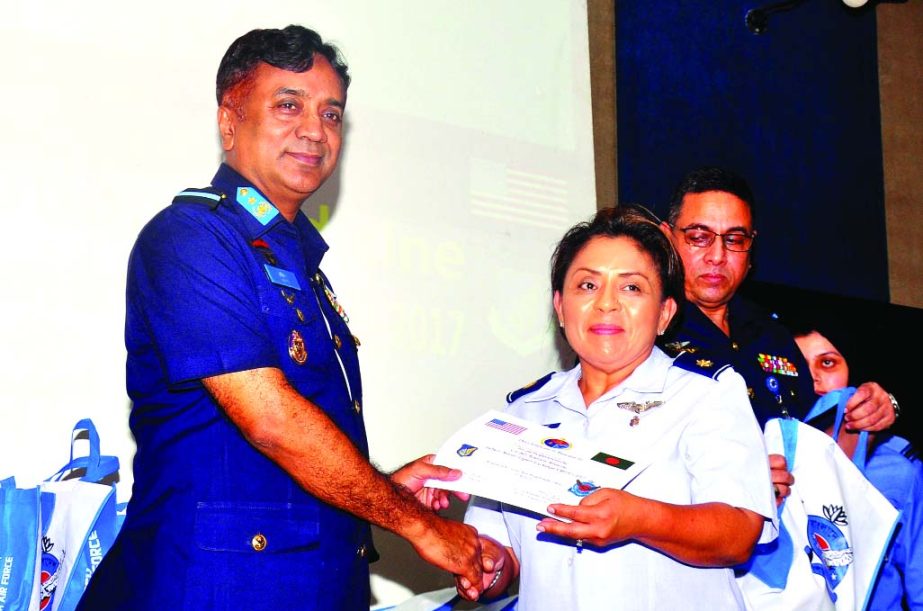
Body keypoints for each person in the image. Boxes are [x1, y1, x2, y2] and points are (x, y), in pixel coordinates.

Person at [77, 25, 482, 610]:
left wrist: (386, 489)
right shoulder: (193, 237)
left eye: (332, 113)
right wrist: (416, 522)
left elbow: (271, 475)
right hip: (213, 591)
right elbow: (271, 420)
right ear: (228, 121)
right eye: (288, 105)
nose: (315, 130)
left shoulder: (298, 261)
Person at [462, 205, 777, 609]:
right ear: (559, 307)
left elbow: (739, 534)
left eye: (631, 288)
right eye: (587, 286)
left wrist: (638, 519)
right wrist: (487, 564)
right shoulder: (522, 413)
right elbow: (503, 552)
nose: (606, 304)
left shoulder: (706, 394)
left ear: (665, 313)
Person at [657, 165, 897, 501]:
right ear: (667, 239)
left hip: (789, 537)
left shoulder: (773, 334)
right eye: (699, 237)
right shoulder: (646, 331)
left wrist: (867, 418)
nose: (717, 256)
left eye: (734, 240)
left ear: (751, 248)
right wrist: (737, 474)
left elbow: (819, 458)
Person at [793, 324, 923, 610]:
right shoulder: (762, 453)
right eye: (799, 364)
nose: (813, 378)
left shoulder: (898, 468)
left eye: (828, 363)